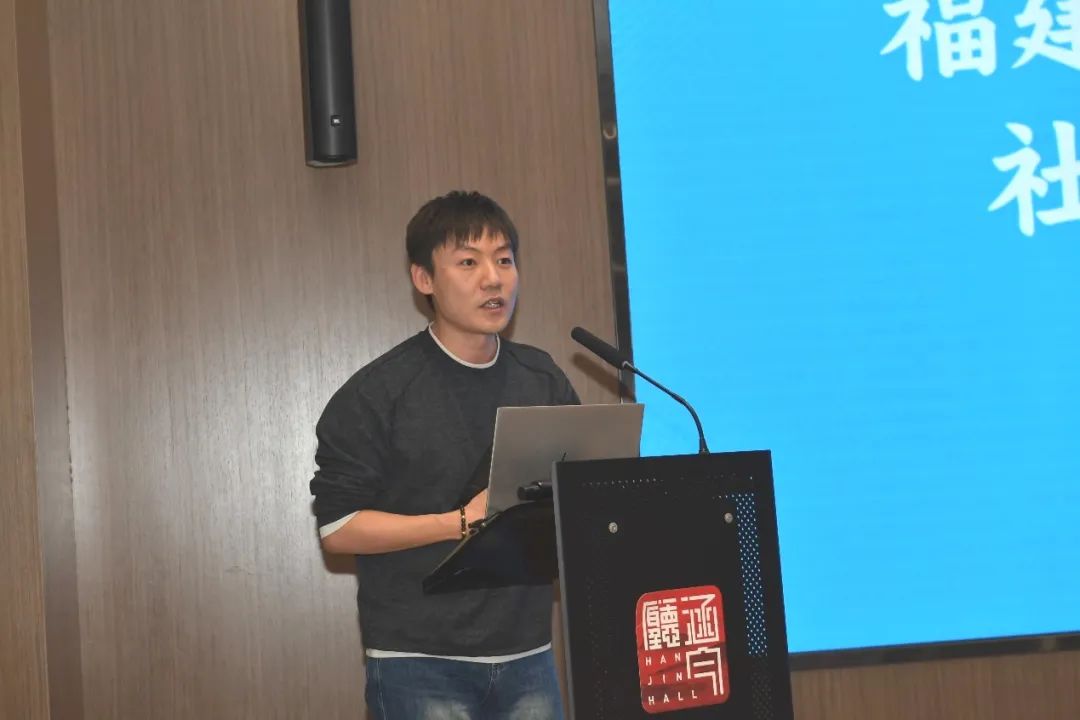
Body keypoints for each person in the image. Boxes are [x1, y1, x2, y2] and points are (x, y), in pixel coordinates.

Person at [310, 191, 579, 719]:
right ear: (424, 279)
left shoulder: (541, 378)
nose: (494, 279)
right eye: (469, 262)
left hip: (528, 653)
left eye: (504, 260)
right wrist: (457, 522)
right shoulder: (379, 392)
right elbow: (338, 529)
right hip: (418, 660)